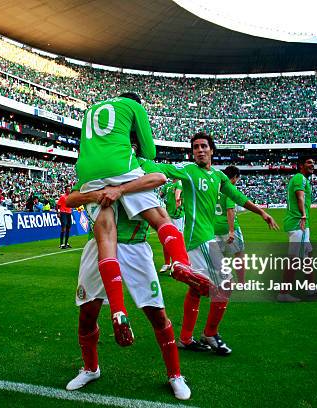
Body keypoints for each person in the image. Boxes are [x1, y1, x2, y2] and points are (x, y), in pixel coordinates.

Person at [75, 93, 211, 347]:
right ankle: (180, 263)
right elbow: (159, 175)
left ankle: (118, 311)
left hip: (114, 240)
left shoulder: (94, 151)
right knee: (160, 219)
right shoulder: (136, 163)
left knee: (105, 238)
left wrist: (106, 192)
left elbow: (71, 198)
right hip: (133, 244)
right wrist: (114, 190)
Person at [141, 132, 279, 355]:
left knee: (196, 291)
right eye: (195, 147)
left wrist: (262, 213)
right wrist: (135, 159)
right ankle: (211, 333)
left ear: (212, 150)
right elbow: (161, 168)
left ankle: (185, 338)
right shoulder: (188, 171)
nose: (200, 150)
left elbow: (237, 196)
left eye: (204, 146)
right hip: (200, 238)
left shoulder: (218, 176)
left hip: (207, 238)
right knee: (226, 284)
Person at [65, 173, 191, 400]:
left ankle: (175, 375)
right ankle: (90, 369)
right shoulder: (95, 171)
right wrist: (96, 195)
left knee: (157, 314)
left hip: (136, 249)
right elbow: (70, 199)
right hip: (98, 249)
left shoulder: (140, 169)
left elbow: (160, 179)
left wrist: (121, 189)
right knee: (87, 314)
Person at [279, 156, 316, 302]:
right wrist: (304, 215)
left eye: (313, 163)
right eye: (309, 162)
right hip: (297, 223)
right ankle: (283, 293)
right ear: (301, 165)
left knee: (308, 255)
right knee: (294, 259)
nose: (312, 165)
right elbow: (299, 197)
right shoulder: (299, 178)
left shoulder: (304, 179)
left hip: (302, 224)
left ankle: (311, 287)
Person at [214, 166, 246, 283]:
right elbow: (230, 210)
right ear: (234, 178)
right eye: (237, 179)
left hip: (214, 228)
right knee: (239, 255)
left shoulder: (214, 187)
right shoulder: (230, 188)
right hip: (228, 228)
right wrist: (231, 230)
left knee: (220, 258)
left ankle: (225, 281)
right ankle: (242, 283)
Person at [159, 179, 184, 274]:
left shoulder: (179, 183)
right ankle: (167, 263)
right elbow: (160, 195)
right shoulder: (167, 185)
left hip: (177, 215)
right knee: (166, 238)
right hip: (167, 215)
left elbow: (178, 193)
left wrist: (178, 200)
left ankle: (175, 264)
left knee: (176, 240)